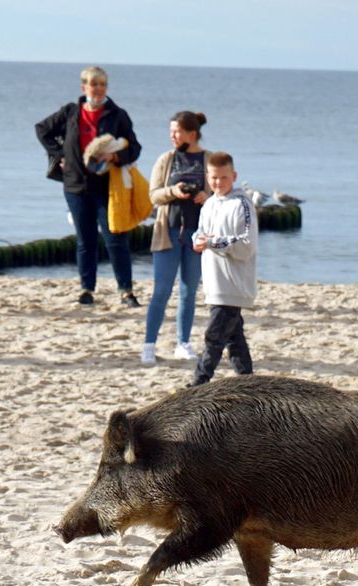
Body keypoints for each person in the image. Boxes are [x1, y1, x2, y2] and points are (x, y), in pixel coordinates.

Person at [35, 66, 142, 308]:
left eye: (103, 84)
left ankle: (126, 291)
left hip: (108, 186)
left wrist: (115, 158)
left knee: (116, 238)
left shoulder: (117, 114)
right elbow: (42, 130)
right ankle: (87, 289)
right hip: (75, 186)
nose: (99, 89)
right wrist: (60, 154)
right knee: (86, 240)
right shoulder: (71, 112)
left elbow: (134, 148)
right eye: (94, 84)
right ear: (84, 87)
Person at [142, 111, 210, 364]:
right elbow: (154, 195)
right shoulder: (166, 159)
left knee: (189, 290)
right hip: (167, 232)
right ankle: (149, 344)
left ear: (192, 133)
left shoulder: (208, 158)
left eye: (177, 131)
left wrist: (207, 195)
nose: (172, 136)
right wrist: (174, 191)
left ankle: (183, 343)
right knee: (161, 290)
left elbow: (219, 191)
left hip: (197, 233)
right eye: (171, 131)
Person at [190, 152, 257, 386]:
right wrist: (198, 240)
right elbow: (200, 232)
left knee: (214, 337)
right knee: (234, 339)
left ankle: (198, 383)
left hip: (233, 284)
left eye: (223, 178)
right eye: (214, 178)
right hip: (213, 282)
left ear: (234, 176)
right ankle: (249, 383)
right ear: (207, 177)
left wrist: (213, 242)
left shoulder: (242, 204)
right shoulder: (208, 203)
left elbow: (246, 245)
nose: (218, 183)